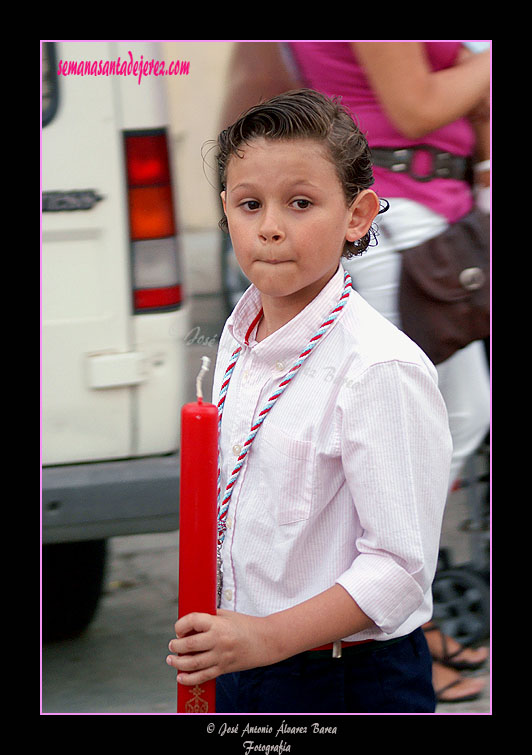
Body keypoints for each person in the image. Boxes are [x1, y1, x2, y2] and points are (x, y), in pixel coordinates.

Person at [166, 89, 453, 713]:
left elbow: (400, 571)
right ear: (225, 212)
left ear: (357, 216)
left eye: (300, 203)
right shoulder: (242, 339)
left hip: (347, 680)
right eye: (250, 204)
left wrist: (266, 636)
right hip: (244, 658)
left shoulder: (380, 369)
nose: (270, 225)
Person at [287, 41, 490, 703]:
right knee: (415, 435)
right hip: (394, 213)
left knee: (430, 431)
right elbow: (414, 105)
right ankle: (377, 632)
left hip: (419, 210)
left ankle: (401, 624)